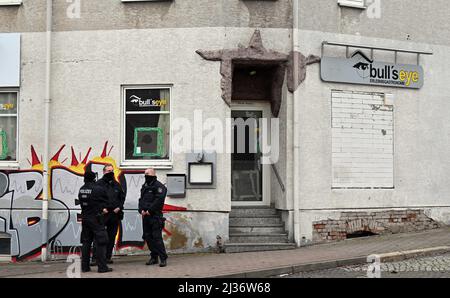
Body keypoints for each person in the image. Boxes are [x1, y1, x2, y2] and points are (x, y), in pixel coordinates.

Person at [78, 170, 113, 273]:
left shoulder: (81, 189)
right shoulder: (98, 189)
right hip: (96, 219)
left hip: (85, 218)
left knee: (86, 242)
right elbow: (107, 202)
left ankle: (85, 267)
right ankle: (102, 267)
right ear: (94, 178)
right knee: (102, 242)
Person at [91, 164, 126, 265]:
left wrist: (119, 207)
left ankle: (107, 257)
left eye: (112, 170)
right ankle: (95, 258)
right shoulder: (98, 184)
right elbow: (95, 199)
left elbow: (121, 198)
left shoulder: (116, 184)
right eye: (108, 171)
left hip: (114, 215)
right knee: (99, 237)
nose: (110, 172)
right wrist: (102, 208)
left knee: (111, 237)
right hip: (103, 214)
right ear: (104, 172)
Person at [139, 168, 168, 267]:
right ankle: (154, 257)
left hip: (155, 216)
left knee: (157, 238)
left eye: (147, 173)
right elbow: (141, 199)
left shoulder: (159, 187)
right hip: (146, 217)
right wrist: (141, 210)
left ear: (153, 174)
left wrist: (149, 211)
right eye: (145, 173)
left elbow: (159, 201)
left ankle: (163, 258)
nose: (145, 175)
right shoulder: (145, 186)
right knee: (148, 237)